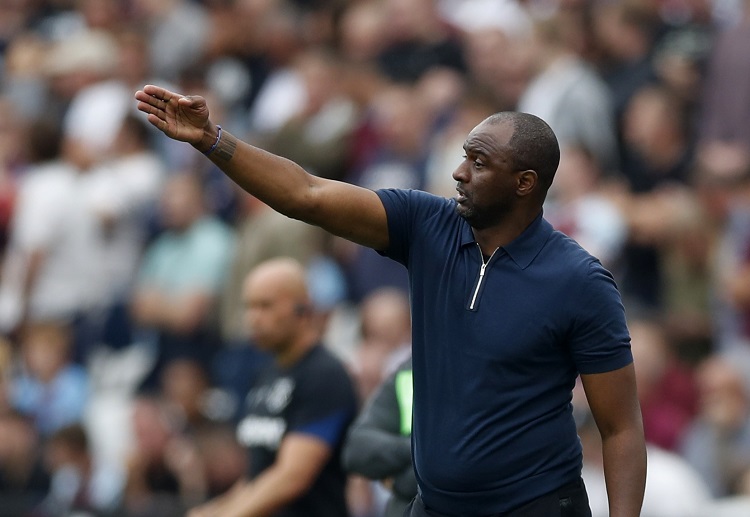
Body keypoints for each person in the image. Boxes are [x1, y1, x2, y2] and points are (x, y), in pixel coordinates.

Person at [135, 84, 646, 516]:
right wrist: (211, 140)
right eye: (464, 155)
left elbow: (620, 428)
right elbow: (306, 194)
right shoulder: (429, 225)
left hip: (533, 506)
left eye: (480, 161)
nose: (459, 172)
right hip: (435, 504)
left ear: (524, 183)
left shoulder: (579, 280)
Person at [187, 257, 358, 517]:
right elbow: (258, 478)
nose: (253, 318)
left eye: (265, 306)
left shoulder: (324, 375)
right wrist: (212, 511)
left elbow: (291, 477)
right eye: (248, 307)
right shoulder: (265, 375)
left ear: (303, 309)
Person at [343, 356, 416, 517]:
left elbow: (465, 469)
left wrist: (397, 481)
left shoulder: (480, 370)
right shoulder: (411, 369)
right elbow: (356, 449)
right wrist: (416, 451)